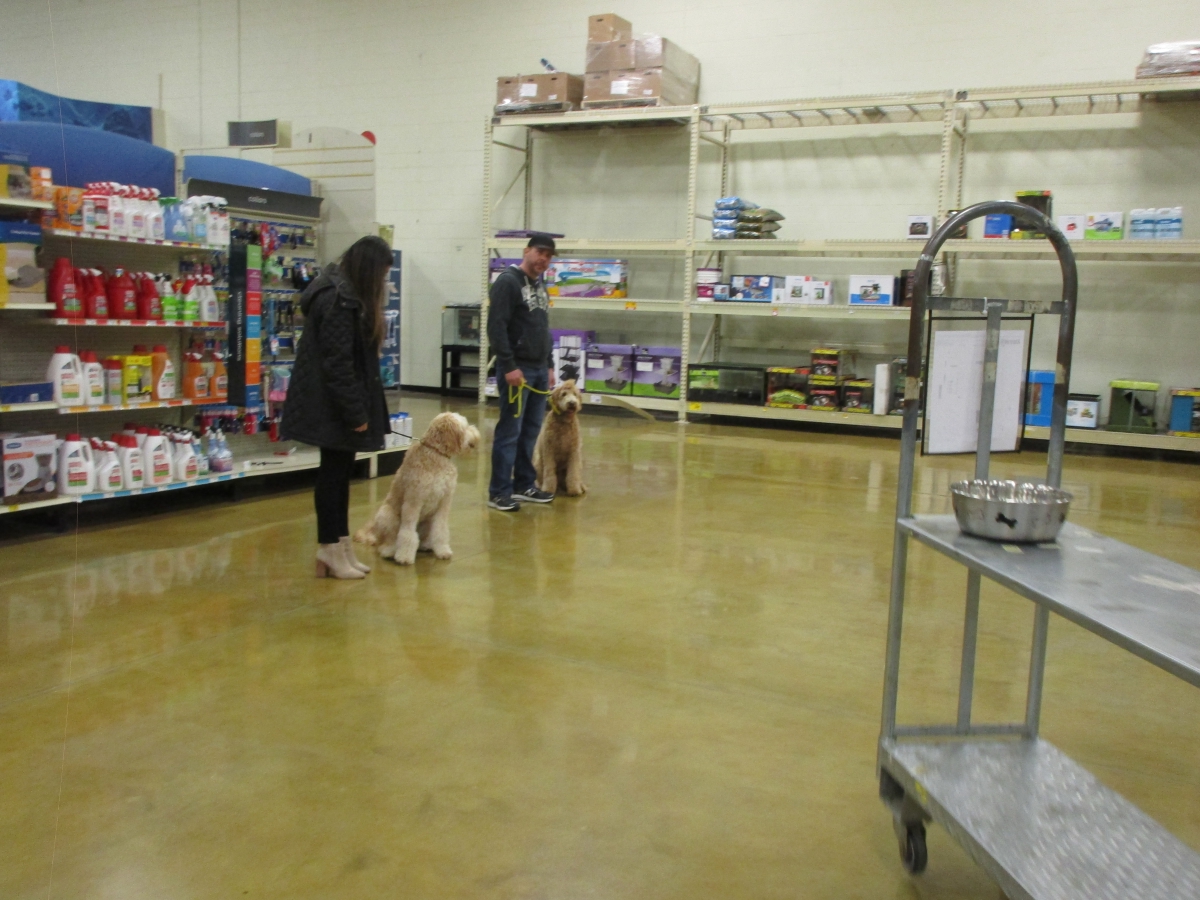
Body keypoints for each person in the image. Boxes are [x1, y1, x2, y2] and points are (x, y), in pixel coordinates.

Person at [282, 235, 392, 578]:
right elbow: (338, 364)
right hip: (330, 405)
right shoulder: (337, 299)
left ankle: (340, 546)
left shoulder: (347, 294)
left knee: (341, 474)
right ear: (368, 269)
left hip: (335, 402)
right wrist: (356, 414)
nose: (383, 282)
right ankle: (329, 549)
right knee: (332, 476)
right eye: (382, 274)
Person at [487, 233, 558, 512]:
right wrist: (509, 365)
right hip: (518, 369)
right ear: (526, 250)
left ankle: (524, 484)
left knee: (530, 432)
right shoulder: (507, 282)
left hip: (538, 369)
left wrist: (549, 364)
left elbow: (543, 327)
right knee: (510, 432)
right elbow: (496, 327)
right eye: (540, 252)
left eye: (549, 255)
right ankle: (499, 491)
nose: (544, 259)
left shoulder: (540, 285)